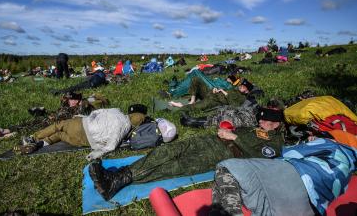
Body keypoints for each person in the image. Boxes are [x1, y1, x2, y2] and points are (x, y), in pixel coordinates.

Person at [89, 107, 287, 200]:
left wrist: (234, 138)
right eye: (261, 120)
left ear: (276, 124)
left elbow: (261, 156)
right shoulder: (256, 128)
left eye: (266, 122)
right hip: (212, 140)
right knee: (168, 150)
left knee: (173, 166)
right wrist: (227, 131)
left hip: (222, 153)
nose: (261, 123)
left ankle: (116, 181)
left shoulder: (276, 142)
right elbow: (237, 131)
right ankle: (118, 176)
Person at [211, 138, 357, 216]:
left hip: (295, 177)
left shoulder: (333, 145)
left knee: (227, 167)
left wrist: (309, 142)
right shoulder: (347, 175)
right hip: (308, 208)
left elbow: (289, 153)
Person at [0, 107, 147, 161]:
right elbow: (110, 147)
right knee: (61, 137)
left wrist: (86, 118)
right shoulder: (124, 131)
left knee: (58, 126)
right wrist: (94, 154)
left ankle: (34, 138)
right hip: (83, 141)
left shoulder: (117, 112)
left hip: (82, 124)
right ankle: (40, 145)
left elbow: (97, 112)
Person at [0, 92, 109, 141]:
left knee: (34, 127)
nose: (70, 101)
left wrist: (83, 102)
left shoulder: (81, 105)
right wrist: (65, 99)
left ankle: (5, 135)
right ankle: (3, 130)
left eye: (72, 99)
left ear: (78, 100)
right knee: (30, 123)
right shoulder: (67, 105)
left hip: (56, 123)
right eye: (69, 99)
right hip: (52, 118)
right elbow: (62, 106)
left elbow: (86, 108)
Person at [168, 78, 256, 112]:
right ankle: (192, 100)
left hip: (214, 101)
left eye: (243, 87)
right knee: (195, 80)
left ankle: (181, 106)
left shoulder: (242, 98)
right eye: (241, 85)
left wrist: (225, 93)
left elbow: (234, 105)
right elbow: (225, 90)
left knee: (194, 108)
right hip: (211, 93)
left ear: (247, 91)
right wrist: (216, 90)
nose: (241, 86)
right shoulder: (235, 89)